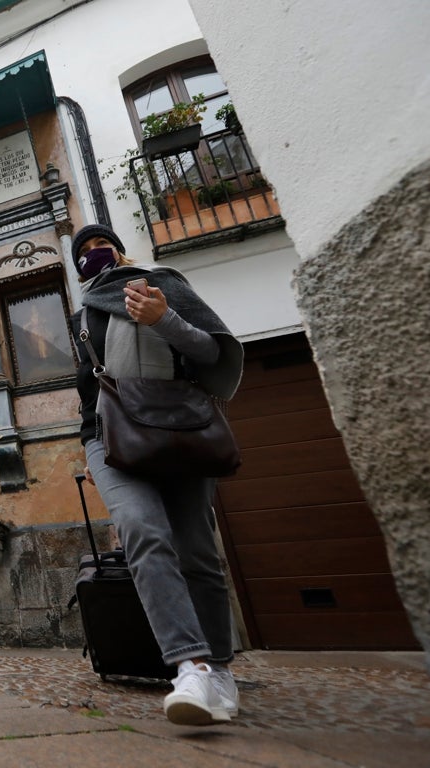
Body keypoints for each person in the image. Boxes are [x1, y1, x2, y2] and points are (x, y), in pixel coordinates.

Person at [70, 224, 245, 726]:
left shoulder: (161, 282)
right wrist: (92, 442)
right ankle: (190, 667)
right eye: (83, 251)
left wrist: (163, 318)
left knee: (196, 549)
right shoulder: (83, 314)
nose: (93, 254)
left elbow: (210, 352)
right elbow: (88, 385)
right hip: (113, 435)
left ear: (119, 249)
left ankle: (221, 670)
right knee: (142, 530)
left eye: (100, 245)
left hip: (177, 427)